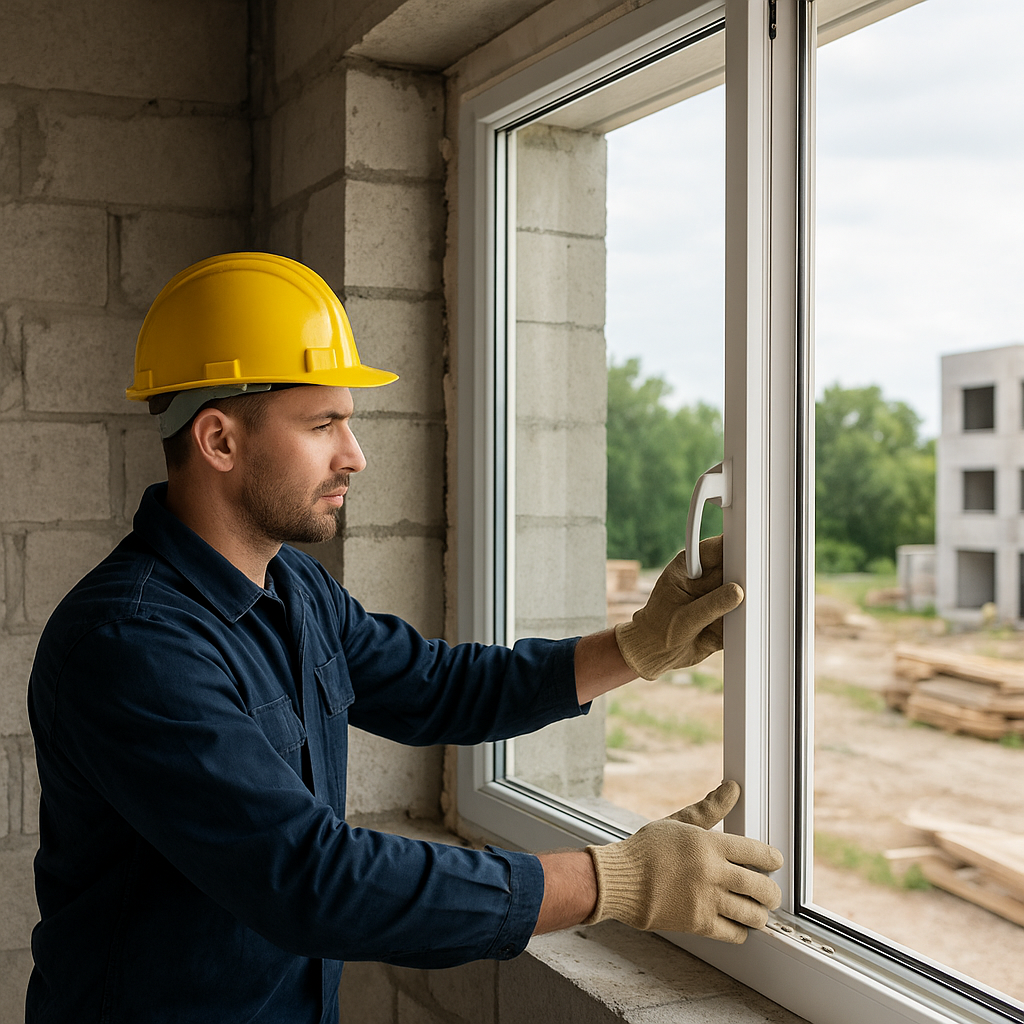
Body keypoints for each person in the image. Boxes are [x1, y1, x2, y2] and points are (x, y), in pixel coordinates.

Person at [26, 252, 782, 1023]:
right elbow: (314, 882)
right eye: (324, 424)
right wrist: (615, 881)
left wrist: (638, 645)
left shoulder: (293, 587)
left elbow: (433, 688)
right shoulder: (132, 644)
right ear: (219, 440)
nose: (355, 454)